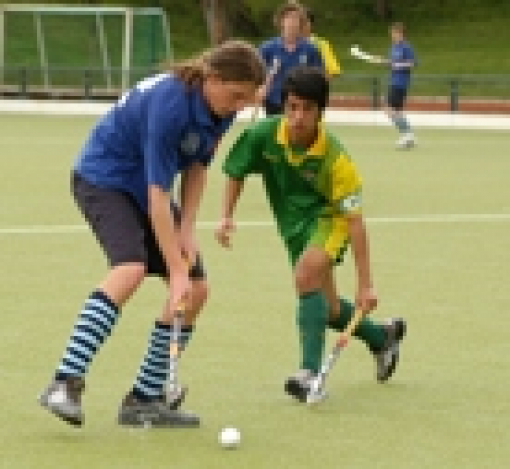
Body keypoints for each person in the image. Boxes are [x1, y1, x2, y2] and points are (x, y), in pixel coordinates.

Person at [38, 41, 266, 427]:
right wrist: (175, 268)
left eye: (247, 98)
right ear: (213, 78)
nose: (240, 105)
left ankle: (144, 399)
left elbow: (196, 167)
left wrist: (188, 231)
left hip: (144, 188)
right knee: (130, 268)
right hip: (103, 179)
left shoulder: (220, 108)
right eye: (236, 95)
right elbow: (157, 196)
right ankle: (63, 383)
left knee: (197, 290)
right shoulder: (171, 105)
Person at [216, 66, 406, 403]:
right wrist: (226, 216)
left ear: (321, 112)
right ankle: (382, 337)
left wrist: (366, 284)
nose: (298, 117)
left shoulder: (336, 160)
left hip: (329, 220)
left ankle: (308, 374)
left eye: (307, 109)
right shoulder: (265, 135)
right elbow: (236, 170)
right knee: (329, 309)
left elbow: (355, 222)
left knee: (305, 276)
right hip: (293, 228)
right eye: (292, 107)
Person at [258, 1, 323, 116]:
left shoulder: (310, 49)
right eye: (288, 18)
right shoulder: (267, 48)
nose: (292, 22)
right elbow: (256, 74)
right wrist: (260, 88)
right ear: (281, 21)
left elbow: (318, 77)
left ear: (300, 23)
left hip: (301, 104)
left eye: (296, 19)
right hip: (274, 102)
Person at [371, 22, 417, 149]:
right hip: (394, 81)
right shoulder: (393, 48)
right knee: (396, 110)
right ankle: (408, 135)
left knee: (388, 108)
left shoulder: (406, 47)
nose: (392, 36)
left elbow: (412, 63)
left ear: (401, 34)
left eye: (395, 33)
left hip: (400, 83)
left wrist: (399, 65)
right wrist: (381, 61)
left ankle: (407, 135)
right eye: (392, 33)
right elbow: (392, 63)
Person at [303, 7, 342, 79]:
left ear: (311, 24)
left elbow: (333, 71)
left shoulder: (321, 44)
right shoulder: (284, 44)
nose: (302, 25)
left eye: (305, 22)